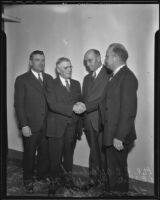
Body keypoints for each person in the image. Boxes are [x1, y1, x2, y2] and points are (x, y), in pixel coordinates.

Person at [99, 43, 138, 195]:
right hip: (111, 132)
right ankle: (112, 192)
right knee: (113, 169)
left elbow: (128, 111)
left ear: (115, 57)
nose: (105, 59)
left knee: (117, 171)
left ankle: (118, 194)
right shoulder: (115, 76)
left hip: (118, 135)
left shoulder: (127, 77)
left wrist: (119, 137)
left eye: (107, 56)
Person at [45, 57, 85, 195]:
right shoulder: (51, 84)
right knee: (55, 158)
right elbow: (52, 104)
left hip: (72, 128)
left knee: (69, 156)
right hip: (56, 127)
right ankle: (54, 183)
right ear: (58, 70)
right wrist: (72, 108)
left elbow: (79, 101)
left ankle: (68, 180)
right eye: (66, 68)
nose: (70, 69)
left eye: (70, 66)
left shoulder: (76, 83)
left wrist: (80, 105)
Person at [14, 50, 52, 192]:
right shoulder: (22, 79)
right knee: (29, 154)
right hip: (30, 125)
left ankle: (42, 175)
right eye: (37, 60)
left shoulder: (49, 78)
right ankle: (28, 179)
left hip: (47, 125)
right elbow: (19, 104)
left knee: (45, 153)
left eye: (43, 60)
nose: (41, 62)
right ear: (30, 62)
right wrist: (24, 125)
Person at [82, 49, 109, 189]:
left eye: (90, 60)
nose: (87, 64)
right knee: (93, 153)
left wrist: (85, 106)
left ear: (99, 58)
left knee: (104, 155)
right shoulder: (86, 79)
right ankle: (93, 180)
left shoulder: (109, 74)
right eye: (86, 61)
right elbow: (84, 99)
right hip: (89, 122)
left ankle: (105, 183)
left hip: (103, 121)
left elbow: (103, 99)